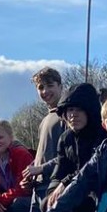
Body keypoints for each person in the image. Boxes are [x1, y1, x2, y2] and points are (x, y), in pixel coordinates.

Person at [44, 83, 106, 212]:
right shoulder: (66, 138)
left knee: (84, 204)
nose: (73, 115)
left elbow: (90, 170)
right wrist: (53, 191)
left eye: (79, 110)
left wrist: (65, 184)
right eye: (70, 109)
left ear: (90, 112)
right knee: (47, 202)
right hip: (71, 190)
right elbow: (59, 169)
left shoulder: (103, 136)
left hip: (98, 191)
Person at [21, 67, 64, 200]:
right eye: (40, 87)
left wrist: (41, 168)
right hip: (38, 187)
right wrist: (32, 172)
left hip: (55, 187)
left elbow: (69, 156)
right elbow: (44, 153)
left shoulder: (67, 117)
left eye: (50, 85)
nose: (45, 91)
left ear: (60, 86)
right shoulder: (44, 120)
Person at [0, 120, 34, 212]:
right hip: (6, 197)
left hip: (23, 197)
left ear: (11, 137)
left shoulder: (21, 154)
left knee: (18, 204)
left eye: (0, 137)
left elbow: (22, 189)